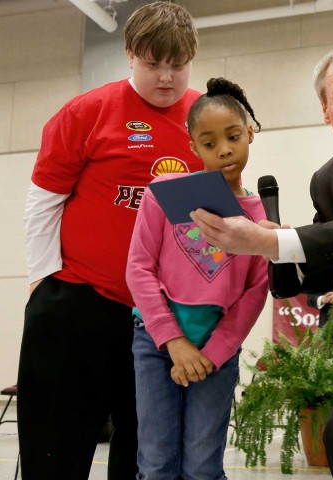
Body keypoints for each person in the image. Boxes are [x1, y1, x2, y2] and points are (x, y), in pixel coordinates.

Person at [191, 44, 333, 480]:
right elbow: (323, 260)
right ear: (325, 110)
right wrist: (273, 246)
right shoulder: (327, 178)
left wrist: (272, 242)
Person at [18, 2, 200, 478]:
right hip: (80, 300)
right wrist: (44, 278)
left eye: (177, 65)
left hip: (157, 315)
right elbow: (44, 200)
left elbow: (204, 221)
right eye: (152, 63)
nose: (166, 77)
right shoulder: (89, 112)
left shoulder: (205, 120)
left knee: (145, 451)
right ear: (129, 55)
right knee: (56, 448)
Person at [126, 77, 268, 479]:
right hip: (156, 343)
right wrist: (173, 342)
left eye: (233, 136)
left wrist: (211, 353)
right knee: (156, 464)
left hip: (216, 351)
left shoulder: (261, 217)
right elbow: (138, 267)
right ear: (192, 147)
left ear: (250, 133)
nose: (224, 149)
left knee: (203, 466)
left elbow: (256, 291)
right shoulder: (163, 193)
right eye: (209, 143)